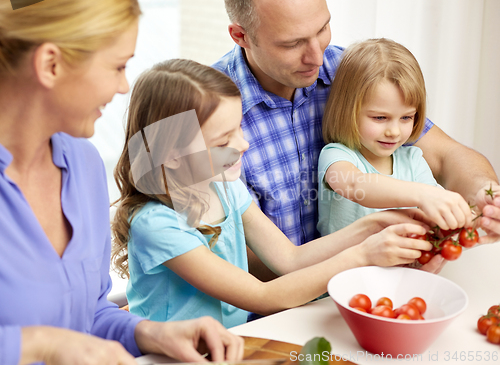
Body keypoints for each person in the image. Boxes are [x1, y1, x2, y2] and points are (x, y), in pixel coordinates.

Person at [0, 0, 243, 364]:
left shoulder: (83, 165)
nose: (123, 85)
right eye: (117, 66)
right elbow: (57, 341)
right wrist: (40, 344)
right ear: (50, 64)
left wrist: (153, 333)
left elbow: (89, 316)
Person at [112, 58, 435, 329]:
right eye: (224, 141)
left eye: (240, 128)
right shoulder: (156, 224)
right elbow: (263, 298)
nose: (243, 144)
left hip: (230, 346)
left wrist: (373, 227)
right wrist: (363, 256)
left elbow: (290, 260)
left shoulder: (226, 189)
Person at [213, 0, 500, 282]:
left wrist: (484, 194)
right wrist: (365, 256)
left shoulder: (354, 71)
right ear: (240, 35)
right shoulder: (194, 113)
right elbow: (215, 253)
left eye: (322, 28)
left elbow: (447, 156)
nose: (317, 56)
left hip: (368, 292)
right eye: (293, 43)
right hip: (269, 311)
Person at [318, 38, 473, 236]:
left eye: (406, 117)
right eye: (380, 117)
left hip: (402, 265)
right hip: (345, 267)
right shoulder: (336, 156)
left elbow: (435, 214)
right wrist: (423, 195)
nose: (394, 131)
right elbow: (355, 185)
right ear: (347, 111)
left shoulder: (414, 161)